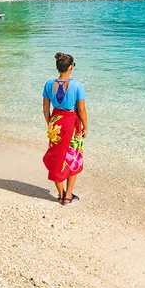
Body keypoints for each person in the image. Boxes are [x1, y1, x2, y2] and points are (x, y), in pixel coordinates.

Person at [41, 52, 88, 205]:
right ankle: (68, 196)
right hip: (71, 123)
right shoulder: (77, 86)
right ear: (70, 68)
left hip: (56, 122)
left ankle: (60, 194)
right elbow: (81, 110)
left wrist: (51, 123)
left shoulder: (48, 84)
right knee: (72, 157)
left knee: (56, 157)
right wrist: (86, 127)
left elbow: (45, 108)